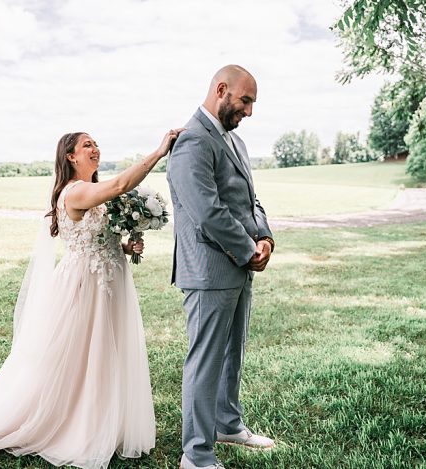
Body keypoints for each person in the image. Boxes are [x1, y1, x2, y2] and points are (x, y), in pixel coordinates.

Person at [0, 128, 182, 469]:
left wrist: (126, 245)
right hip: (84, 286)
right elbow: (117, 187)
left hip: (110, 281)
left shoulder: (92, 191)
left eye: (96, 144)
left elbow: (101, 235)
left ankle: (105, 419)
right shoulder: (75, 192)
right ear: (70, 156)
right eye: (87, 145)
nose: (95, 149)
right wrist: (159, 151)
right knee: (79, 356)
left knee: (105, 352)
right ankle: (75, 423)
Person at [166, 65, 276, 469]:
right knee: (206, 359)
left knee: (233, 353)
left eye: (252, 103)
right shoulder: (194, 141)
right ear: (221, 89)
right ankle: (196, 454)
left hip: (241, 265)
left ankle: (228, 424)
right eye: (245, 101)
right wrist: (248, 249)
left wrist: (264, 238)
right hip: (209, 271)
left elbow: (251, 200)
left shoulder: (236, 143)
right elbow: (207, 213)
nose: (249, 111)